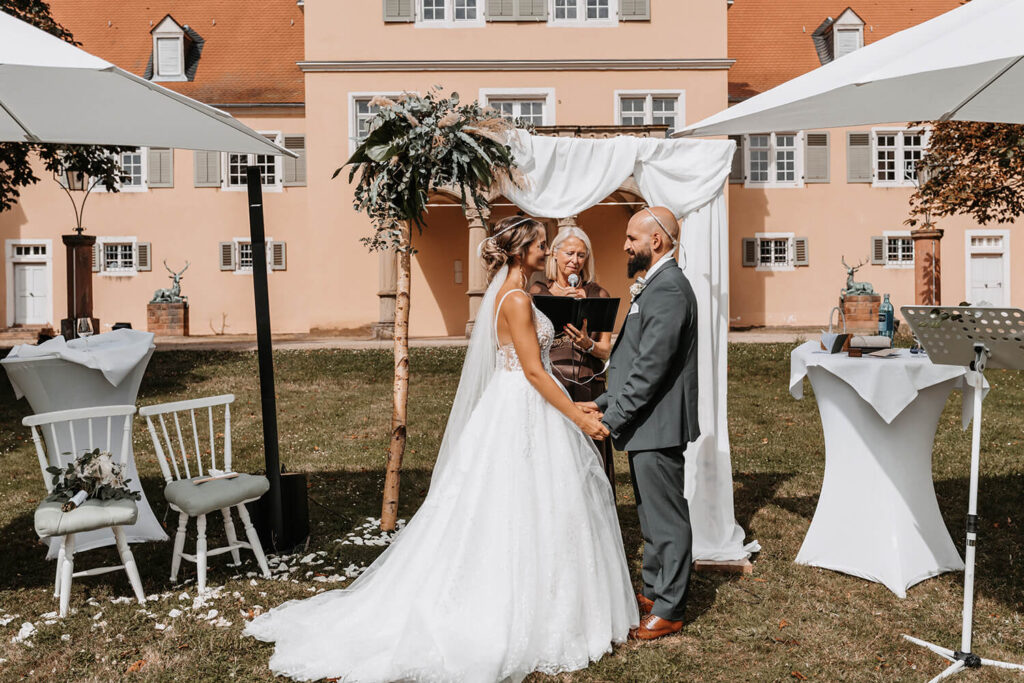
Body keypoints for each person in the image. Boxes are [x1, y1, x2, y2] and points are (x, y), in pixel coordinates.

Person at [245, 215, 639, 682]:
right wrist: (575, 415)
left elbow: (536, 372)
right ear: (520, 252)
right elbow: (533, 372)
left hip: (522, 403)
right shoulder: (515, 299)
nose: (546, 251)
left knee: (537, 502)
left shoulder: (517, 295)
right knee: (518, 502)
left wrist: (580, 409)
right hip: (521, 405)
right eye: (540, 244)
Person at [578, 206, 700, 641]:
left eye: (632, 238)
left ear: (657, 241)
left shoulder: (668, 289)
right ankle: (653, 590)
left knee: (666, 518)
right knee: (649, 514)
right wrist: (606, 400)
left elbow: (651, 368)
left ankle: (670, 608)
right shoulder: (656, 284)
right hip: (646, 418)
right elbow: (633, 361)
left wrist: (612, 417)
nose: (625, 245)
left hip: (659, 420)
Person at [529, 226, 616, 493]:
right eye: (569, 253)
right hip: (554, 380)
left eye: (581, 255)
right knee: (556, 448)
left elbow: (605, 350)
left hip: (590, 382)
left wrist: (587, 343)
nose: (574, 261)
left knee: (590, 449)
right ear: (554, 254)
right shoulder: (538, 291)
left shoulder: (597, 293)